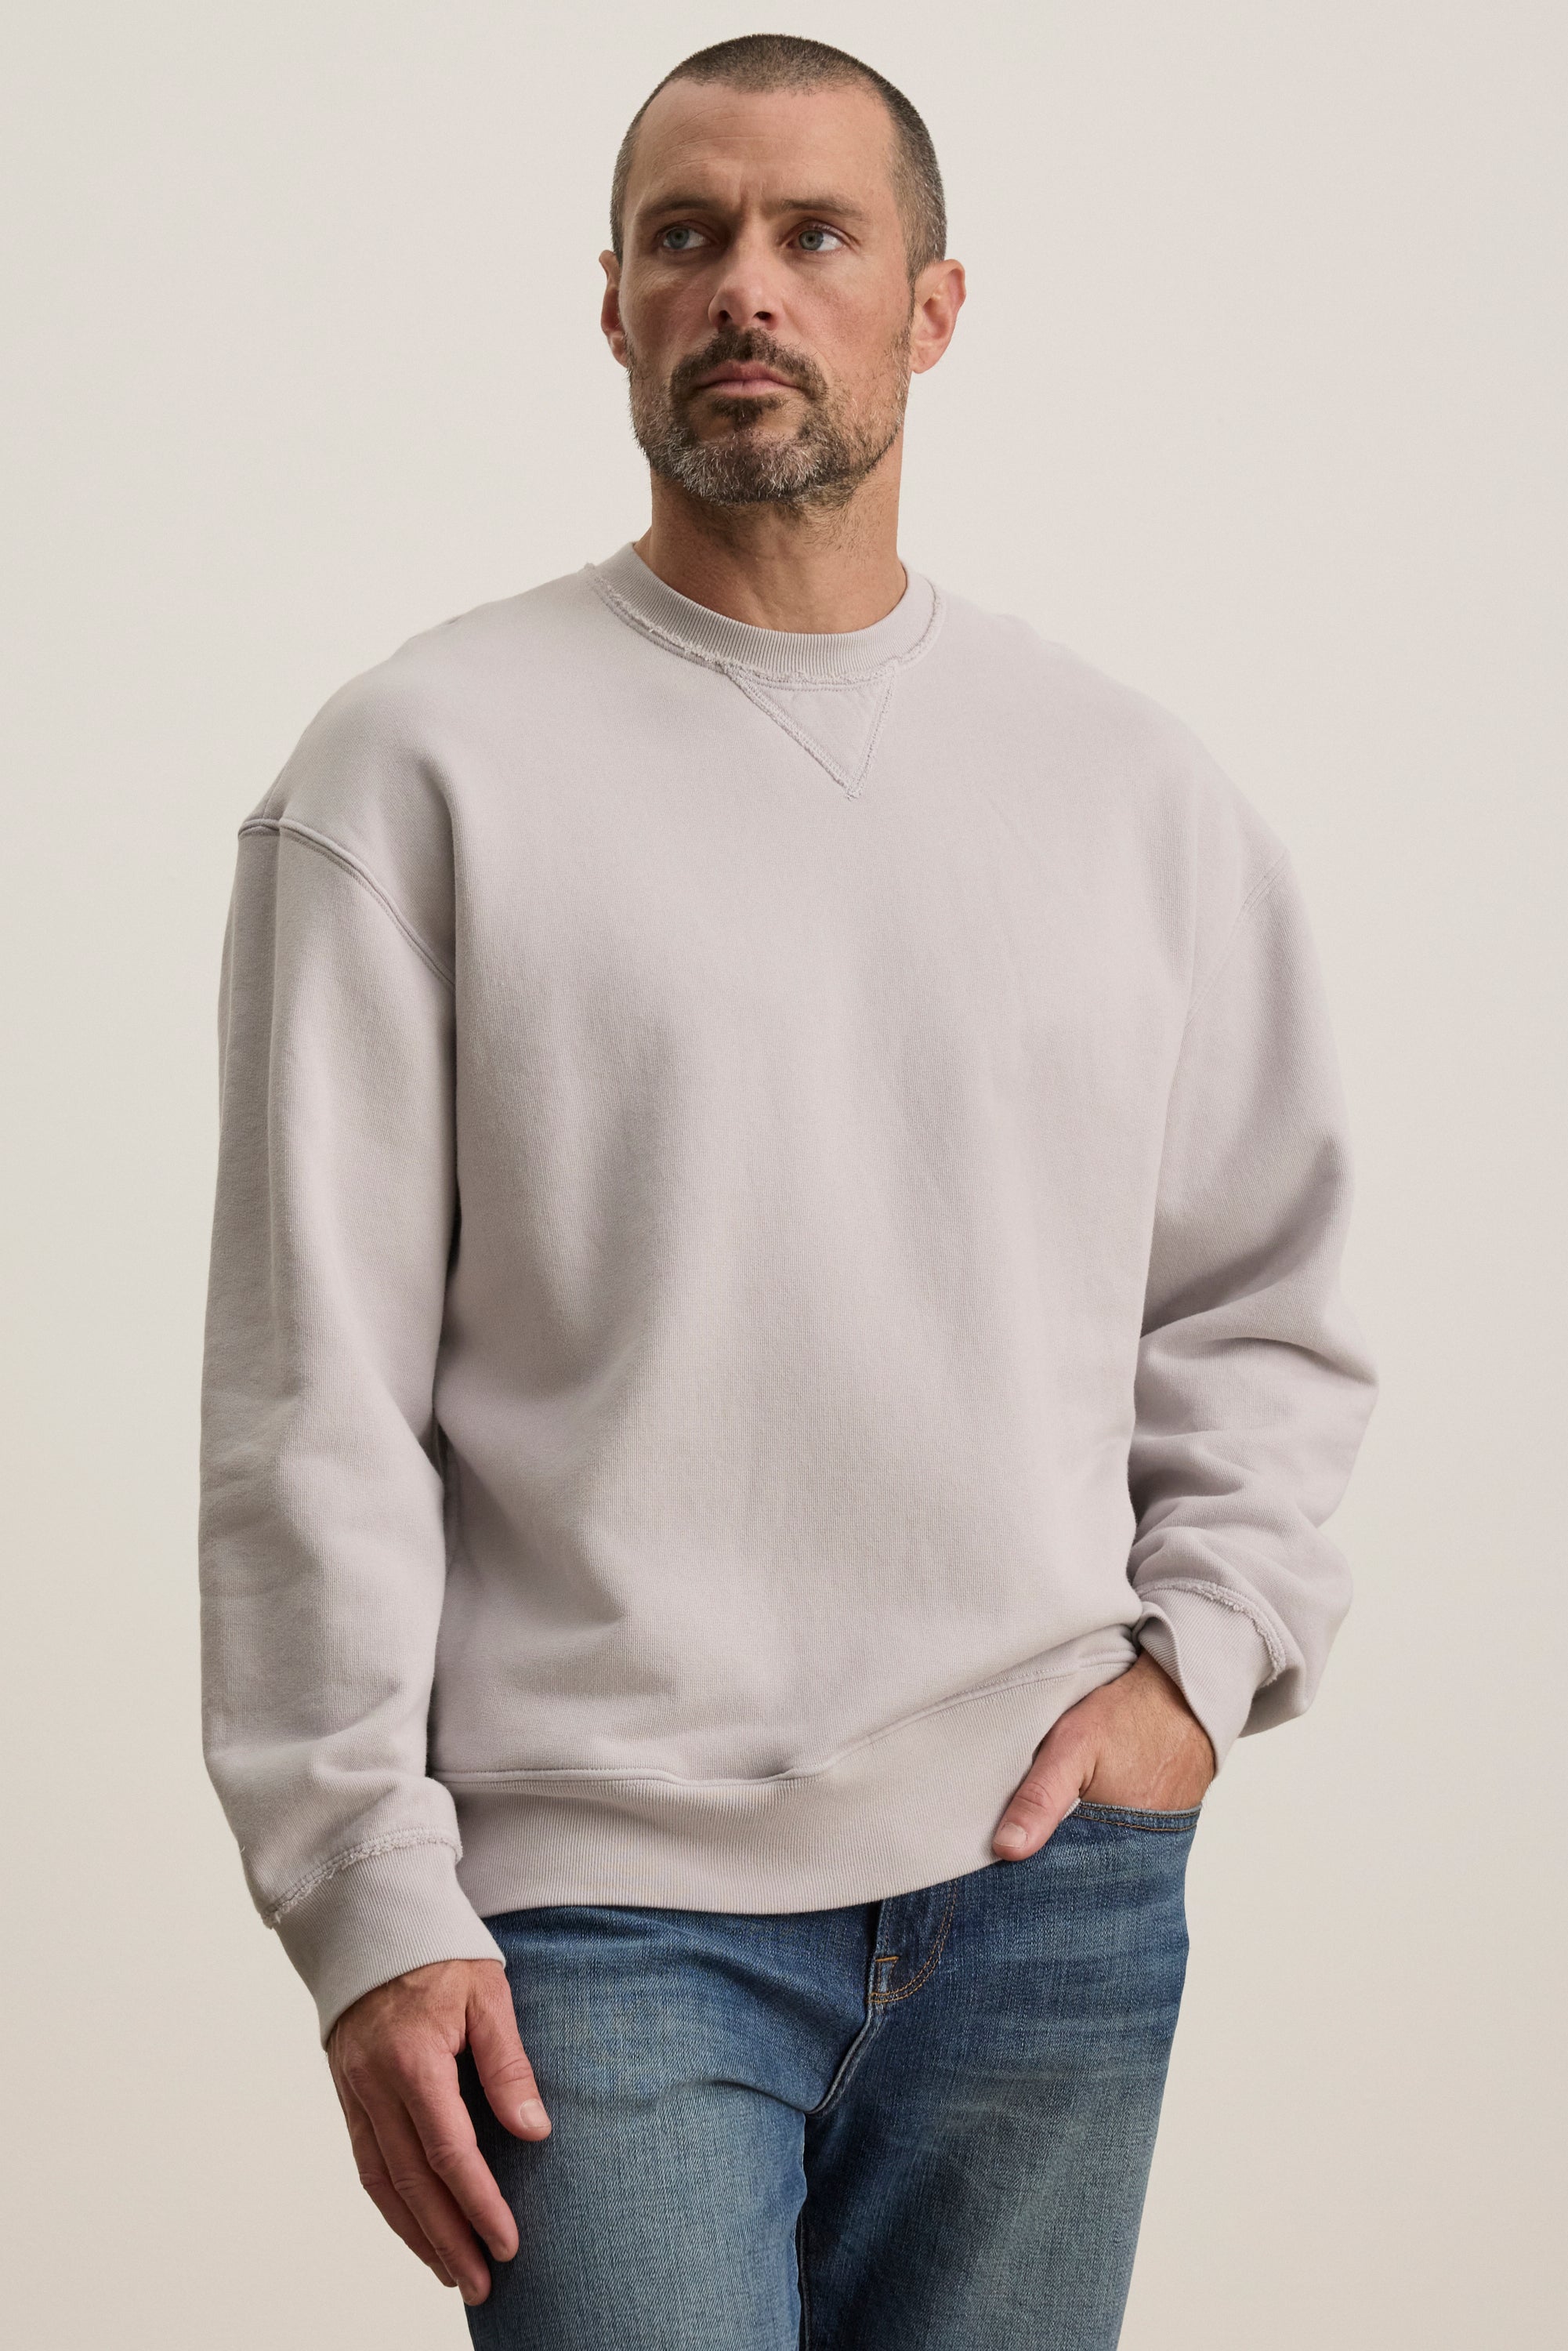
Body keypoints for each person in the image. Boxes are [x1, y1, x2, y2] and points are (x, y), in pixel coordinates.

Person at [197, 32, 1378, 2349]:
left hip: (1044, 1886)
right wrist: (365, 1891)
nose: (748, 287)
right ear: (614, 304)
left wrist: (1196, 1671)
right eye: (687, 237)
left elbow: (1262, 1291)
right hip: (589, 1910)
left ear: (930, 307)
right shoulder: (416, 767)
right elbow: (305, 1394)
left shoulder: (1127, 791)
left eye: (813, 236)